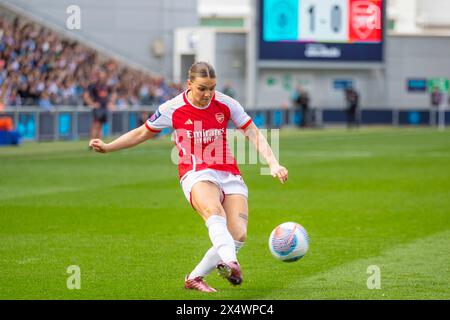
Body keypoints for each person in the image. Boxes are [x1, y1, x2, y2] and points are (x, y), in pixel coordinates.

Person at [89, 62, 288, 292]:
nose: (208, 94)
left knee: (238, 235)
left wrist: (273, 162)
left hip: (229, 172)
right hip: (196, 172)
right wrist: (108, 146)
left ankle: (194, 278)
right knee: (214, 212)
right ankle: (231, 263)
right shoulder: (173, 108)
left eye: (212, 88)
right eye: (202, 88)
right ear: (189, 84)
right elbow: (143, 132)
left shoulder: (226, 103)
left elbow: (252, 131)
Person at [83, 70, 116, 139]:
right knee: (95, 125)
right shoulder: (93, 85)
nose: (102, 76)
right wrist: (92, 103)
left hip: (104, 108)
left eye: (103, 75)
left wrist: (111, 102)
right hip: (98, 108)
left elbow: (114, 94)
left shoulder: (107, 86)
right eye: (100, 75)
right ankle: (92, 142)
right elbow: (86, 95)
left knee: (100, 126)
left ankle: (98, 143)